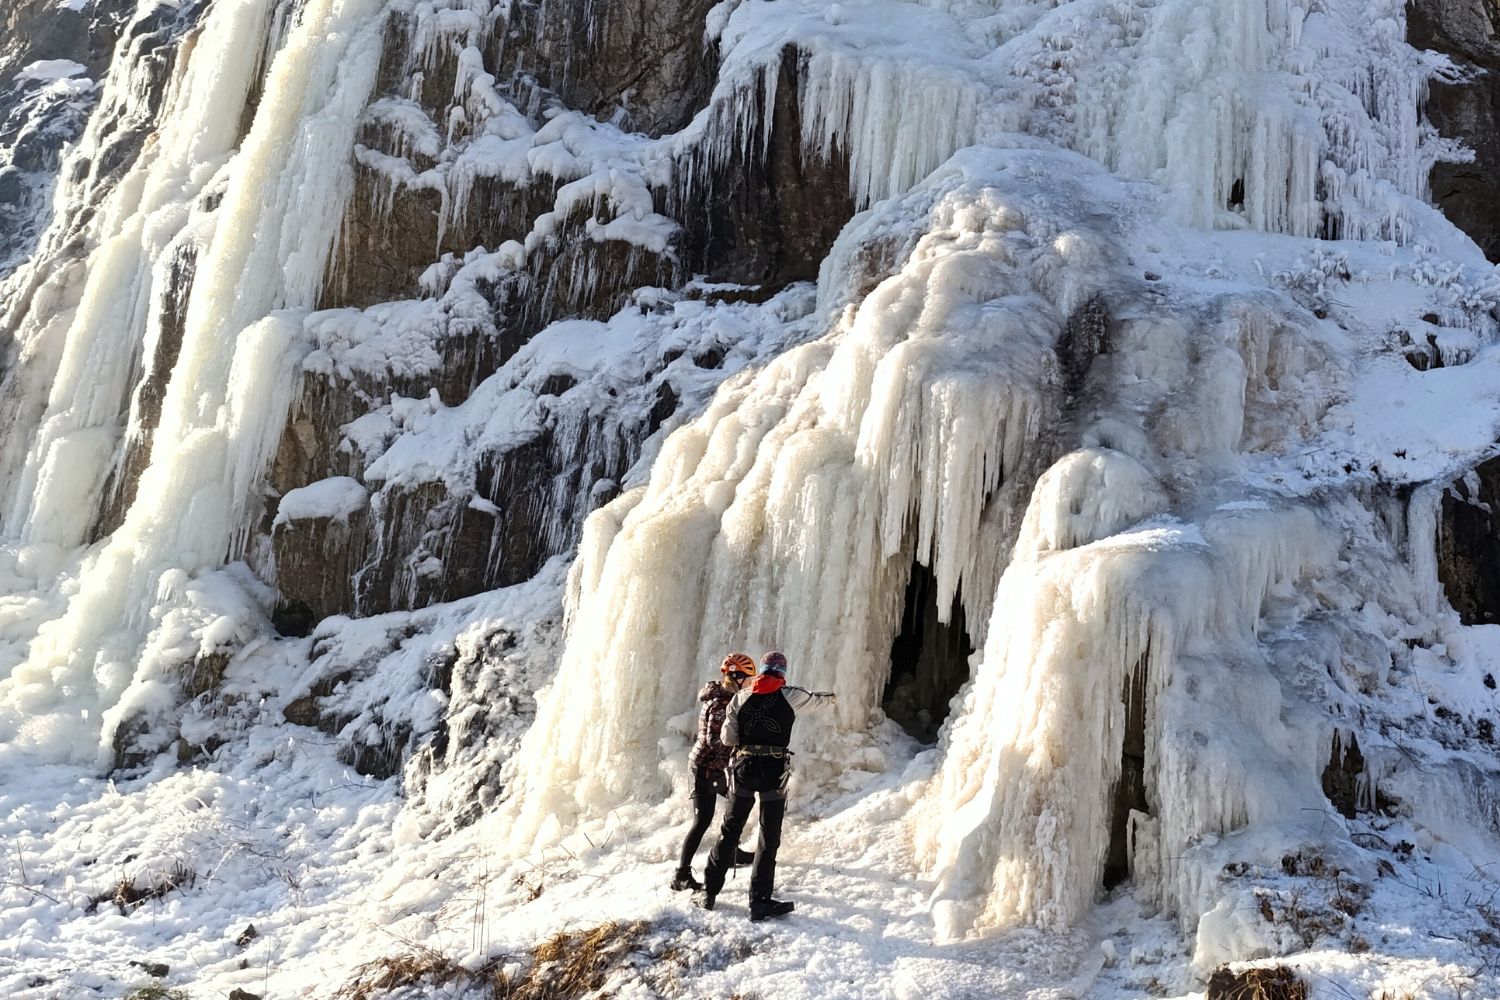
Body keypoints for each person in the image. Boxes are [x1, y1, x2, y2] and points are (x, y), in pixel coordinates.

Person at [694, 650, 836, 921]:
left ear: (761, 670)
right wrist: (834, 698)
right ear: (782, 672)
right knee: (768, 836)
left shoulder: (741, 696)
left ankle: (709, 892)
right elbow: (819, 703)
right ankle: (759, 902)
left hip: (744, 769)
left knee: (730, 830)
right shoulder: (791, 695)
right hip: (774, 771)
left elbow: (727, 738)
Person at [672, 652, 758, 891]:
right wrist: (742, 745)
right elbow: (714, 740)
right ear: (737, 677)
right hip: (704, 769)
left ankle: (731, 852)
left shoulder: (729, 697)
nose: (752, 683)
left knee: (736, 804)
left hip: (716, 768)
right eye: (749, 678)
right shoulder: (721, 703)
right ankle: (681, 874)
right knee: (702, 821)